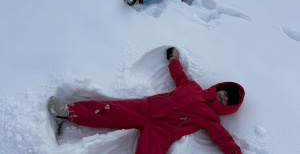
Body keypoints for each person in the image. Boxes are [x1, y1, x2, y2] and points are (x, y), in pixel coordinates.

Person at [48, 47, 244, 154]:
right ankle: (67, 111)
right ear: (219, 87)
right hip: (146, 109)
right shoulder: (192, 87)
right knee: (109, 110)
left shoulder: (211, 118)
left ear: (226, 107)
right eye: (224, 92)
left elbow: (223, 138)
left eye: (226, 100)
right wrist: (174, 59)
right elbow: (179, 75)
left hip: (163, 131)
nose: (222, 97)